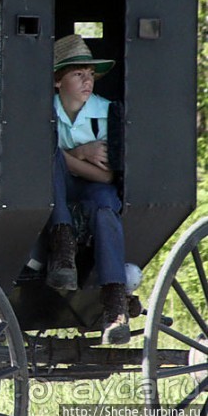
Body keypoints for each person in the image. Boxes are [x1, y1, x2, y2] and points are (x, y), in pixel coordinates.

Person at [45, 33, 129, 345]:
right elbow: (44, 158)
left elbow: (106, 177)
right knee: (48, 155)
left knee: (106, 209)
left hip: (95, 188)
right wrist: (80, 153)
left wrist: (61, 157)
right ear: (57, 81)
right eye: (78, 74)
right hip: (57, 189)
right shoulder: (45, 109)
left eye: (91, 74)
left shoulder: (106, 112)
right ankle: (62, 243)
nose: (87, 81)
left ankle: (115, 306)